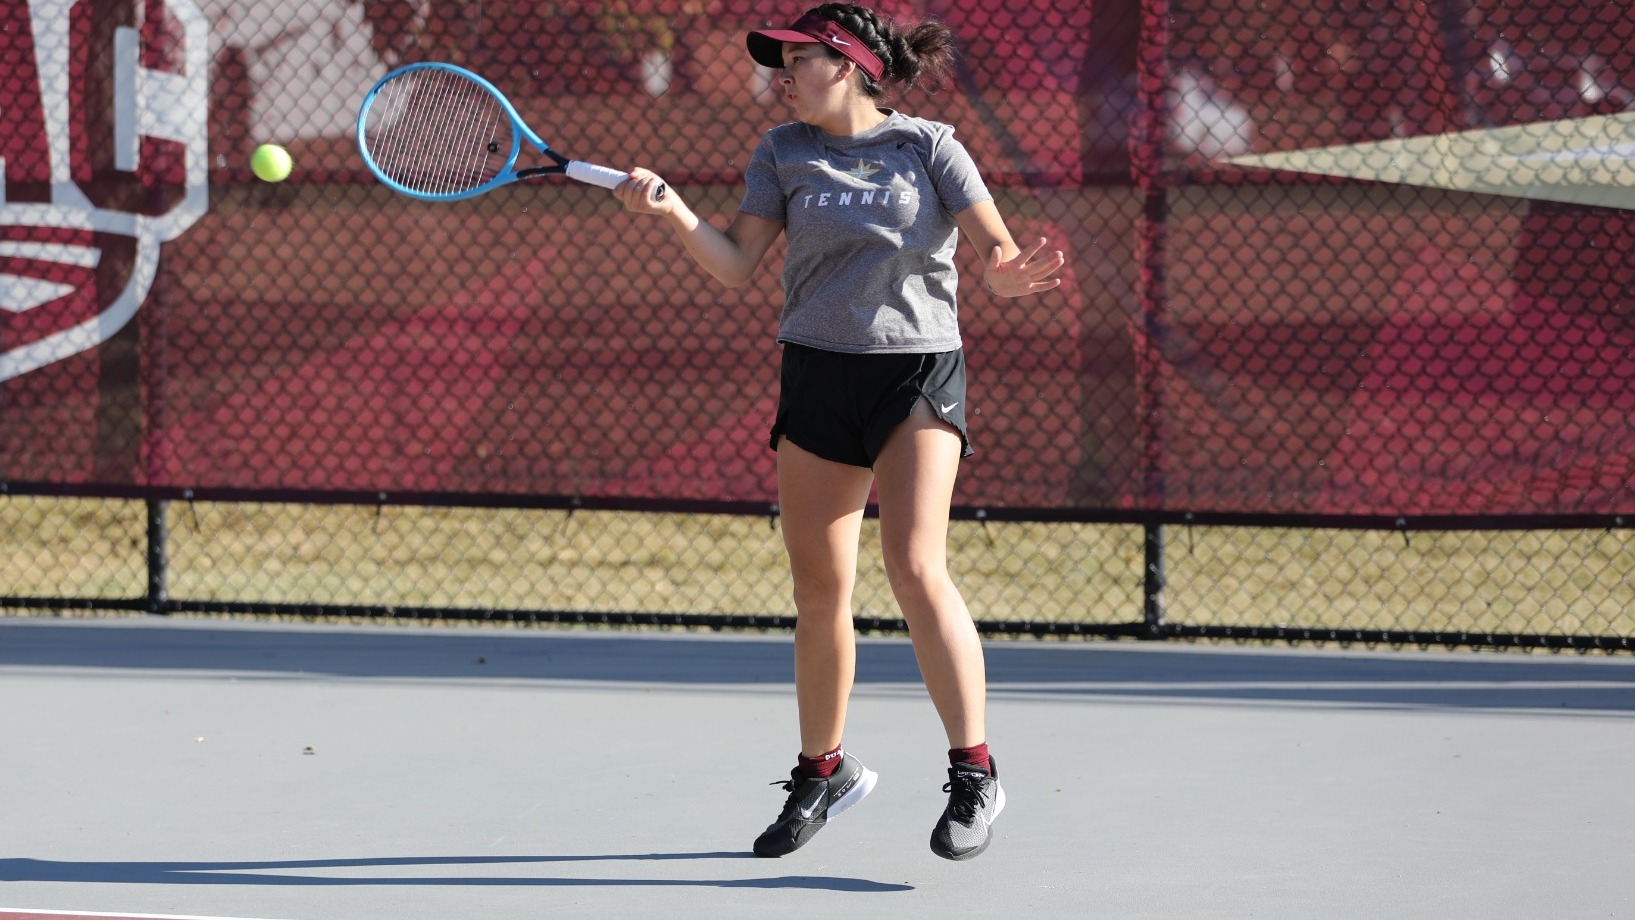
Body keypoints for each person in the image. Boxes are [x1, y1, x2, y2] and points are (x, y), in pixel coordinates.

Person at [614, 2, 1064, 861]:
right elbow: (739, 264)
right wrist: (672, 212)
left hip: (915, 373)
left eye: (793, 62)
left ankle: (974, 771)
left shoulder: (928, 146)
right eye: (775, 64)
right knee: (818, 591)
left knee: (914, 564)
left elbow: (995, 249)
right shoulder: (781, 152)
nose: (777, 78)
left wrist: (1006, 278)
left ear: (848, 63)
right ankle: (822, 773)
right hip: (817, 374)